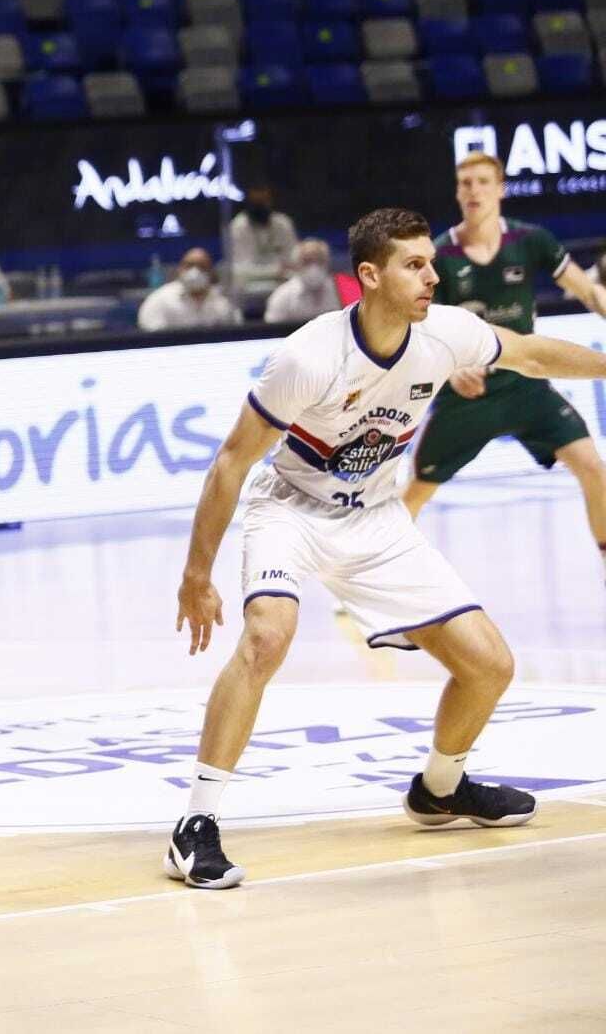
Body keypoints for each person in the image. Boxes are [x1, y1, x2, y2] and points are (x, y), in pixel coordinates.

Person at [168, 207, 606, 889]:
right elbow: (230, 462)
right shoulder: (310, 355)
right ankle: (196, 823)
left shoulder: (448, 331)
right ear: (369, 276)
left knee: (490, 664)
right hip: (293, 510)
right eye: (415, 264)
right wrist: (197, 575)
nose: (434, 275)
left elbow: (528, 352)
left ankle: (439, 787)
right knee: (266, 638)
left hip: (376, 518)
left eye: (431, 261)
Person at [404, 153, 606, 577]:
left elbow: (587, 292)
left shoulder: (531, 240)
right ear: (458, 192)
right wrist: (451, 370)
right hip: (467, 397)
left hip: (526, 387)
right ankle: (367, 579)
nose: (473, 190)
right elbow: (418, 331)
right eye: (465, 183)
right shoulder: (439, 255)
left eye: (482, 181)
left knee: (592, 465)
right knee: (415, 495)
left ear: (501, 189)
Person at [136, 248, 242, 332]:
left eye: (202, 266)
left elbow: (235, 334)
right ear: (179, 269)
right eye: (189, 265)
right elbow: (151, 339)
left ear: (211, 273)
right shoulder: (159, 300)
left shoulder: (222, 303)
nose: (195, 272)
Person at [228, 184, 298, 307]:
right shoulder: (238, 226)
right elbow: (242, 270)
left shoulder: (283, 223)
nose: (260, 207)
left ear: (270, 201)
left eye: (263, 202)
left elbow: (293, 262)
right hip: (249, 287)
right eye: (256, 204)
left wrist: (284, 272)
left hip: (283, 284)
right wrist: (275, 271)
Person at [264, 239, 342, 325]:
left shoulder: (340, 292)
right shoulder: (282, 297)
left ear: (327, 263)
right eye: (307, 261)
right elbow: (272, 332)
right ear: (296, 265)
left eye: (319, 261)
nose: (314, 267)